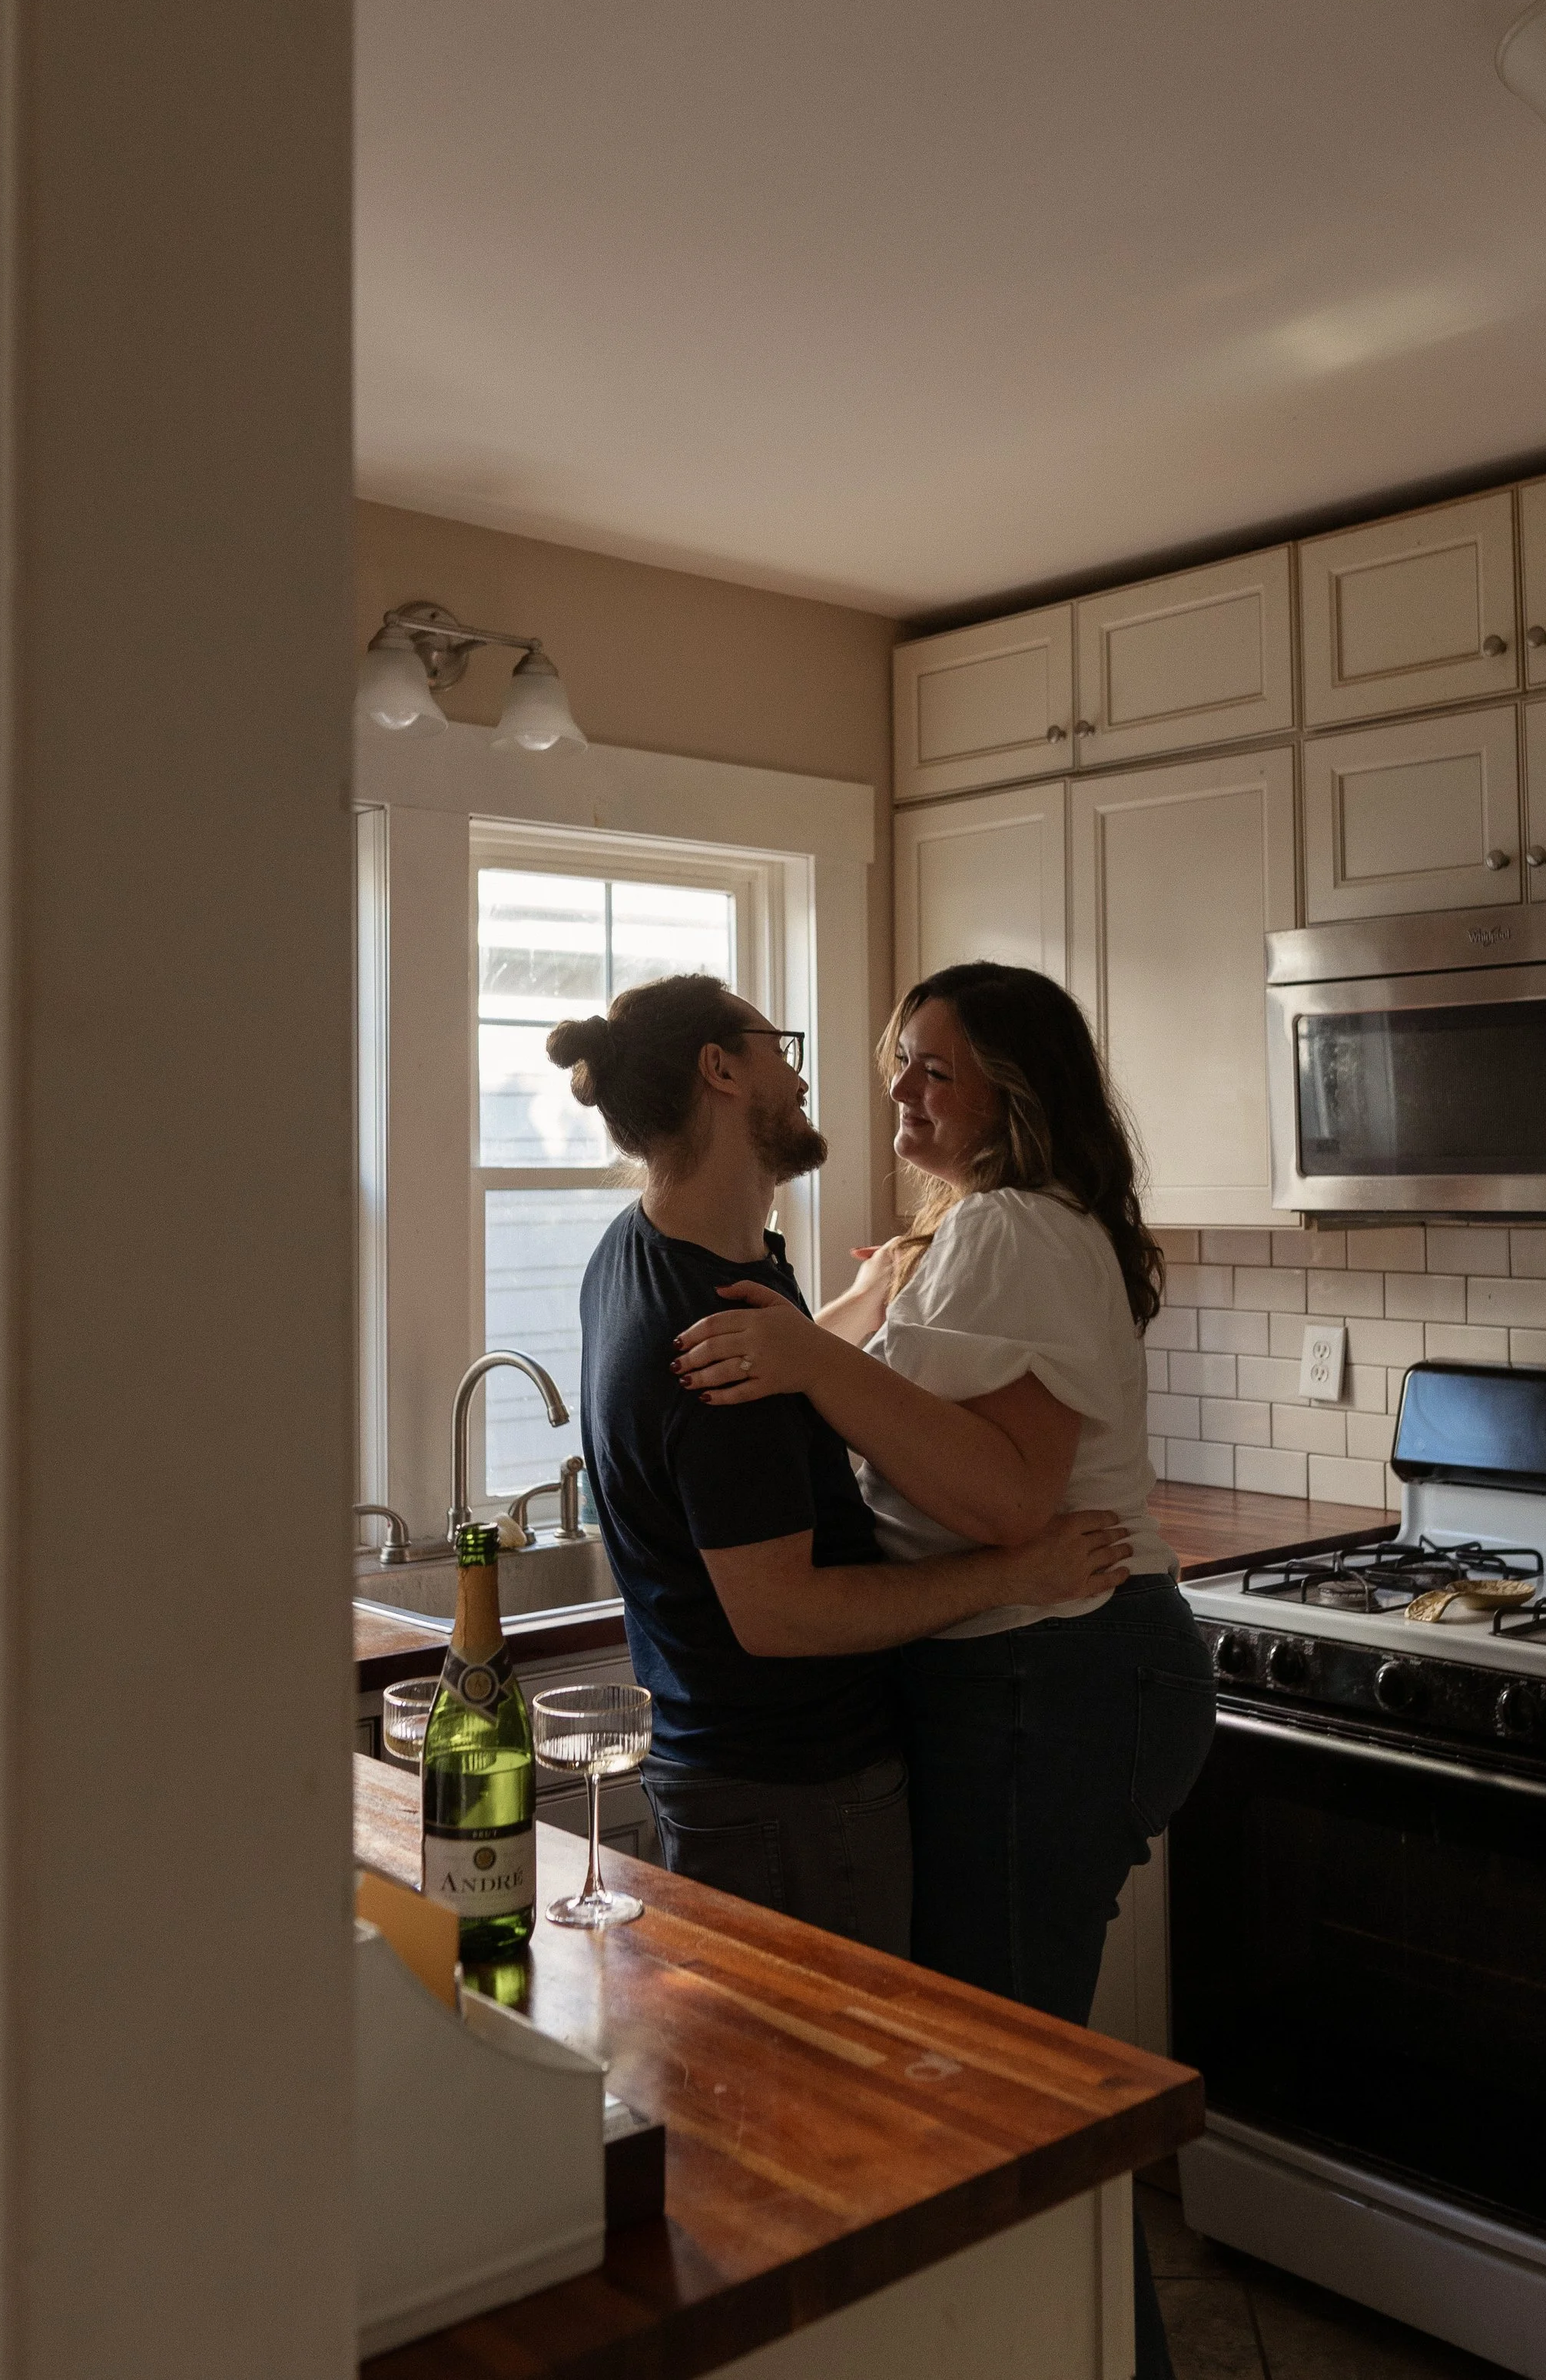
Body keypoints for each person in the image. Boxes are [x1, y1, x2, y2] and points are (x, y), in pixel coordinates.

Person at [672, 959, 1217, 2380]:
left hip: (1059, 1669)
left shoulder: (1021, 1232)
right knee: (1007, 2095)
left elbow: (1007, 1502)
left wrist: (806, 1354)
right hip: (1034, 1671)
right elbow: (875, 1381)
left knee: (1020, 2108)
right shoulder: (963, 1235)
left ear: (1011, 1097)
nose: (900, 1090)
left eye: (935, 1070)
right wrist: (832, 1320)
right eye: (898, 1060)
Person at [546, 972, 1130, 1961]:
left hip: (741, 1774)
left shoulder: (658, 1253)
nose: (806, 1074)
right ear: (722, 1070)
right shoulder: (714, 1332)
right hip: (793, 1791)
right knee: (835, 2098)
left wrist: (853, 1311)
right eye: (780, 1045)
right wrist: (1013, 1575)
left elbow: (786, 1396)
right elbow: (782, 1614)